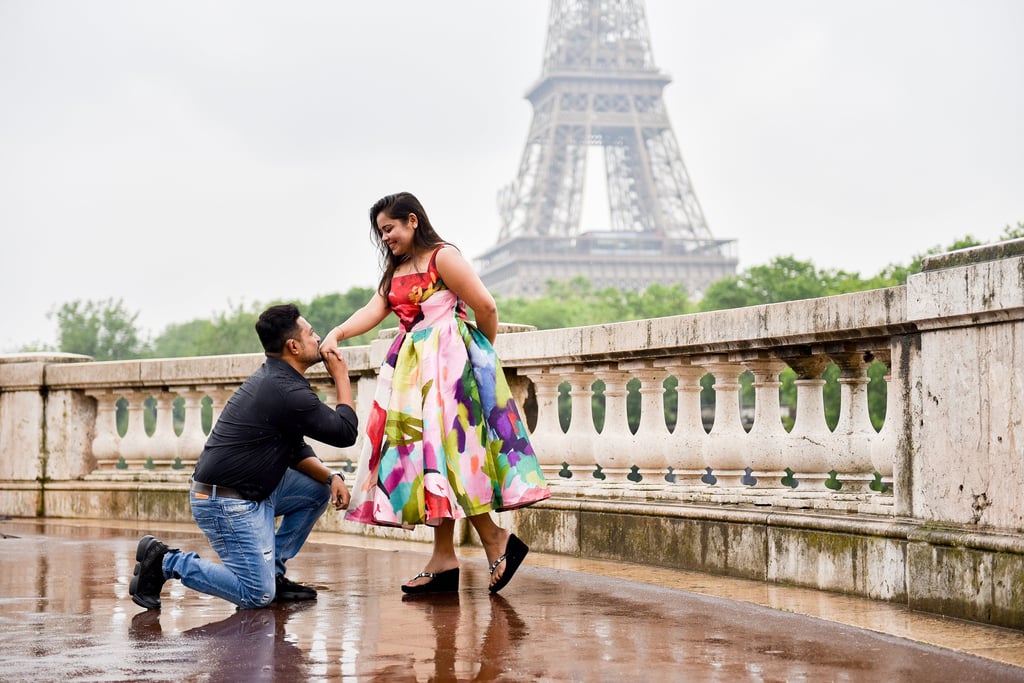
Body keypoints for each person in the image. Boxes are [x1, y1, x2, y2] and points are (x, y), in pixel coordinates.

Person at [318, 191, 550, 595]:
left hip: (448, 372)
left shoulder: (444, 257)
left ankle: (490, 541)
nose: (385, 238)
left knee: (451, 457)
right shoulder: (397, 270)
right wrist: (337, 331)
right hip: (413, 375)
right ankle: (446, 558)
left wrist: (478, 362)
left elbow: (486, 307)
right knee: (433, 462)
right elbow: (376, 310)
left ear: (412, 220)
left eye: (389, 229)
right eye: (380, 233)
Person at [129, 303, 359, 610]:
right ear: (293, 346)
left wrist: (331, 477)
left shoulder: (279, 380)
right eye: (311, 333)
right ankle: (166, 562)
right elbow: (345, 432)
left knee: (317, 490)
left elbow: (294, 449)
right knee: (256, 595)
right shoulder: (286, 391)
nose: (317, 338)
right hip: (225, 502)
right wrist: (341, 375)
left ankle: (273, 572)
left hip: (254, 489)